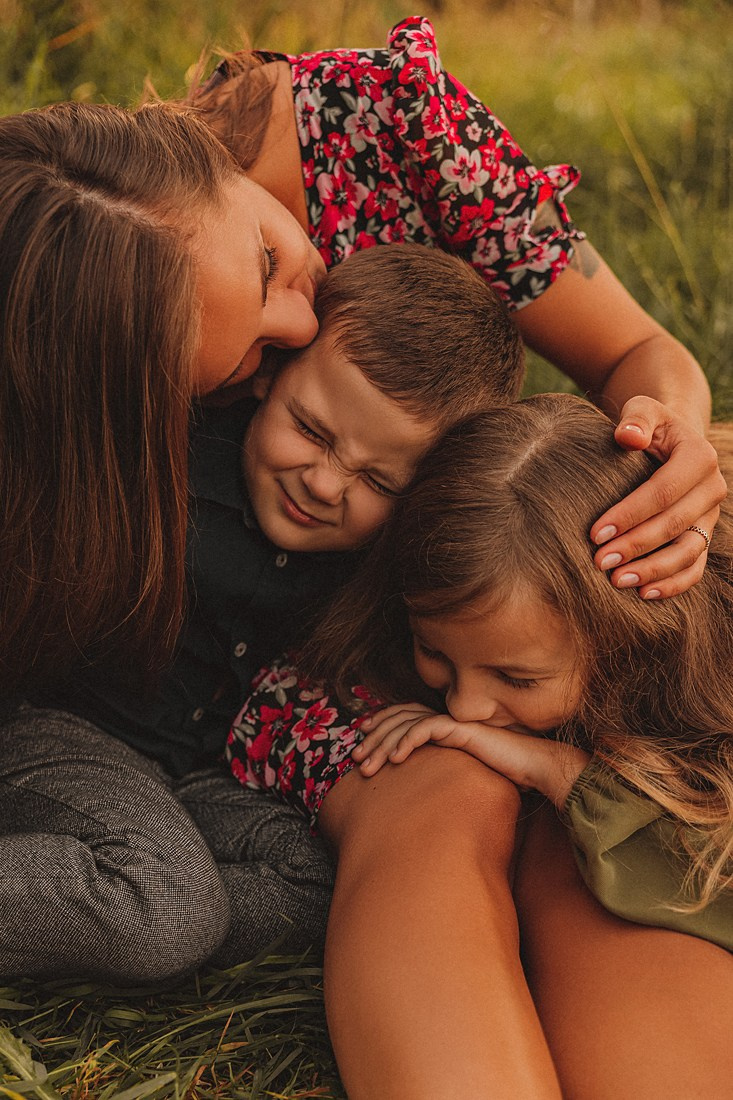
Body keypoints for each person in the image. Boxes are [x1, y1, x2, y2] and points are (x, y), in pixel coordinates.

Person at [1, 242, 525, 982]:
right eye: (310, 431)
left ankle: (124, 900)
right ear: (269, 374)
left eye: (378, 481)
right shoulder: (161, 461)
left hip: (207, 775)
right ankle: (149, 904)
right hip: (64, 731)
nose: (324, 484)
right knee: (170, 906)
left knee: (325, 886)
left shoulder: (383, 564)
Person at [228, 393, 733, 1098]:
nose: (464, 707)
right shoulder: (355, 672)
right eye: (434, 651)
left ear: (632, 643)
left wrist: (565, 773)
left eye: (516, 677)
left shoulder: (704, 683)